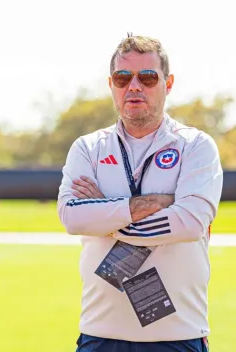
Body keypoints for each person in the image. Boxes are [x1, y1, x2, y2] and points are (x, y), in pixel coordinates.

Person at [57, 34, 222, 352]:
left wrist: (105, 211)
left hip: (177, 334)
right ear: (112, 84)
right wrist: (159, 204)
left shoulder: (195, 146)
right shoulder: (89, 147)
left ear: (168, 83)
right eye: (123, 77)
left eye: (147, 77)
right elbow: (72, 217)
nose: (134, 86)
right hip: (100, 333)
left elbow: (190, 223)